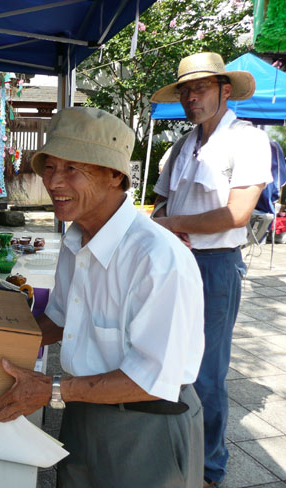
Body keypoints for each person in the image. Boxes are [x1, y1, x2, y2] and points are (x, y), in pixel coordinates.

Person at [0, 107, 206, 487]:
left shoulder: (158, 258)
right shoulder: (76, 241)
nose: (54, 182)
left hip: (148, 422)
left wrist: (50, 389)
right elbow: (57, 321)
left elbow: (150, 378)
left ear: (115, 175)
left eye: (73, 168)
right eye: (50, 167)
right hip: (83, 405)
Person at [150, 52, 273, 487]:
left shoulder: (249, 140)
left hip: (215, 265)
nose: (190, 98)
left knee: (206, 370)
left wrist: (173, 224)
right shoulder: (182, 143)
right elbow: (162, 201)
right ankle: (174, 449)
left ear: (225, 90)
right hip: (175, 258)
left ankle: (209, 468)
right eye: (185, 90)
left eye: (199, 88)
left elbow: (238, 213)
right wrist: (167, 225)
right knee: (165, 358)